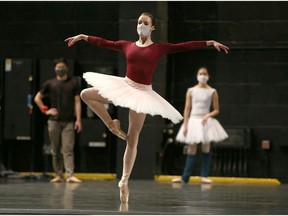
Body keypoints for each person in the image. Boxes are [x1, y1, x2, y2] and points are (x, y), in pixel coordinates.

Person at [64, 12, 229, 202]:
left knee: (133, 139)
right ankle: (111, 124)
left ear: (152, 28)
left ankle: (124, 181)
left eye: (145, 23)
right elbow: (105, 42)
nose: (141, 25)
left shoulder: (158, 48)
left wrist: (208, 42)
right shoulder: (127, 46)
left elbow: (183, 46)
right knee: (86, 94)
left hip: (142, 94)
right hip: (124, 86)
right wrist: (84, 37)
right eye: (139, 22)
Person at [172, 67, 228, 184]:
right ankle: (185, 177)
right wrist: (186, 125)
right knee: (191, 148)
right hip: (193, 121)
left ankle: (204, 176)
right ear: (197, 75)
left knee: (206, 147)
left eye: (205, 73)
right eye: (200, 73)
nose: (203, 75)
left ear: (208, 76)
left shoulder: (212, 91)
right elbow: (187, 109)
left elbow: (216, 109)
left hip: (205, 121)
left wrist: (208, 116)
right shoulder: (191, 90)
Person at [34, 58, 82, 183]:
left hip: (69, 122)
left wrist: (78, 119)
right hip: (53, 121)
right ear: (55, 69)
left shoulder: (73, 83)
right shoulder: (50, 83)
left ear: (67, 68)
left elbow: (78, 102)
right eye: (58, 67)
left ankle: (70, 174)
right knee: (55, 149)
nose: (60, 69)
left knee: (68, 149)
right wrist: (45, 110)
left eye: (62, 66)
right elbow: (37, 98)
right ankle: (58, 175)